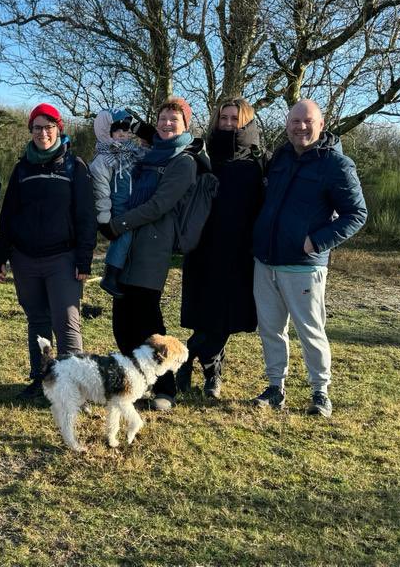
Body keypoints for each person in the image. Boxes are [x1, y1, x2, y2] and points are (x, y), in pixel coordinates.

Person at [250, 99, 367, 417]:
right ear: (287, 124)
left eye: (308, 121)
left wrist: (315, 242)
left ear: (322, 124)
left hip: (303, 265)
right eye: (295, 121)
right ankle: (276, 388)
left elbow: (356, 214)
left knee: (310, 330)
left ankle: (320, 393)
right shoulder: (281, 158)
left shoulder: (336, 165)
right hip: (266, 261)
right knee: (271, 329)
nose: (301, 127)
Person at [101, 96, 199, 411]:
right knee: (122, 324)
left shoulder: (183, 161)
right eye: (163, 119)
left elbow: (160, 204)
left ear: (186, 125)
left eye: (175, 120)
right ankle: (137, 383)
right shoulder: (146, 155)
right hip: (127, 246)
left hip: (151, 248)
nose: (167, 124)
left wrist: (118, 224)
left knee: (146, 321)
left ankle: (166, 390)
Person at [0, 103, 96, 400]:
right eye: (37, 127)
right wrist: (1, 257)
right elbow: (9, 214)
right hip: (25, 259)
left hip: (62, 258)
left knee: (67, 322)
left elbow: (85, 216)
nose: (43, 133)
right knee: (37, 321)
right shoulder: (22, 167)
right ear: (31, 131)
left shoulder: (74, 166)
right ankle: (42, 380)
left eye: (49, 126)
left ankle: (75, 386)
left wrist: (84, 258)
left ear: (59, 129)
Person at [176, 97, 266, 400]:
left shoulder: (257, 162)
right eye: (223, 118)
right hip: (203, 248)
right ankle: (212, 373)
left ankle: (189, 357)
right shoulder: (203, 155)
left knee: (227, 315)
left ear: (246, 122)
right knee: (206, 311)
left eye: (234, 118)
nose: (228, 123)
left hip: (240, 252)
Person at [89, 109, 147, 298]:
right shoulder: (103, 159)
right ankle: (110, 276)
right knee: (124, 236)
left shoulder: (132, 152)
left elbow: (147, 157)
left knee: (133, 238)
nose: (123, 135)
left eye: (126, 130)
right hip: (117, 206)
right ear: (106, 131)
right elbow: (101, 190)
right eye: (117, 131)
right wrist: (104, 219)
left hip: (133, 204)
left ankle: (124, 273)